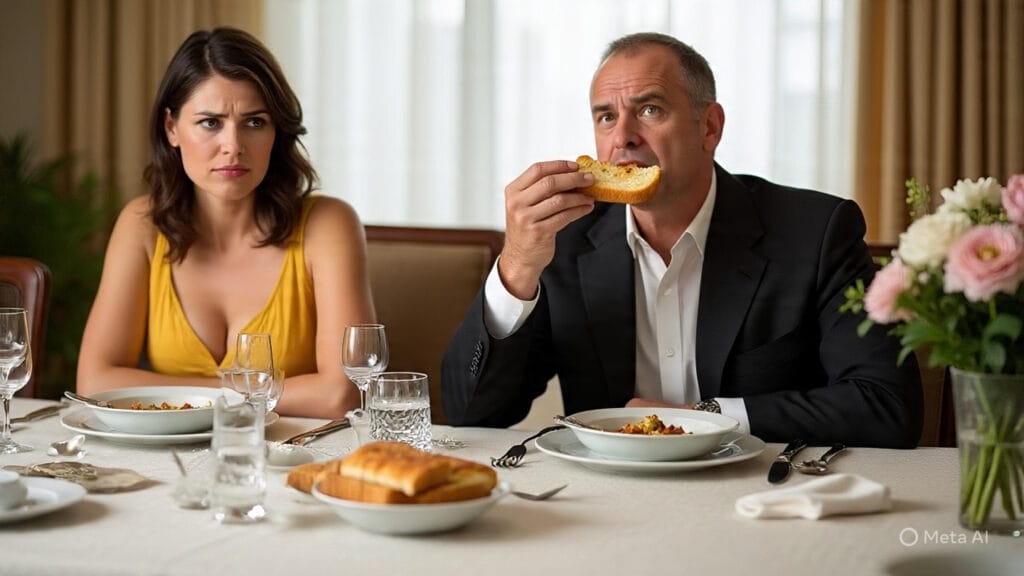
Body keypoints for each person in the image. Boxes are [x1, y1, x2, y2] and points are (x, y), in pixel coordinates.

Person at [441, 32, 923, 447]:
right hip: (608, 503)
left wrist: (704, 419)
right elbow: (472, 415)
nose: (623, 137)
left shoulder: (814, 230)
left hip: (765, 492)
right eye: (606, 117)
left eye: (649, 109)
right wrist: (518, 267)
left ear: (709, 127)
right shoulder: (563, 240)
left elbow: (887, 405)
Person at [77, 27, 375, 418]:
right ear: (172, 129)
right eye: (210, 122)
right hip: (168, 461)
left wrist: (190, 396)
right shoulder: (142, 225)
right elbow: (95, 381)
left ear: (276, 131)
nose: (233, 145)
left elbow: (343, 394)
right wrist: (248, 394)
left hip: (295, 463)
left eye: (254, 122)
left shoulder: (329, 225)